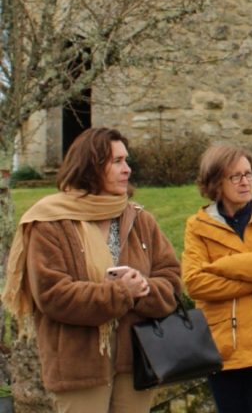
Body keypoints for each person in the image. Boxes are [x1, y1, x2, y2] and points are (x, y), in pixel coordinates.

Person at [1, 127, 181, 413]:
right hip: (78, 367)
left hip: (136, 361)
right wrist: (123, 292)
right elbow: (53, 295)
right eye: (117, 161)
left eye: (127, 160)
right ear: (90, 166)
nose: (127, 169)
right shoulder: (50, 222)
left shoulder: (140, 219)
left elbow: (171, 281)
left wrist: (143, 289)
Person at [182, 144, 252, 413]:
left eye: (249, 174)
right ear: (216, 182)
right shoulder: (198, 226)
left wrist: (222, 265)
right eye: (236, 176)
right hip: (223, 349)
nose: (246, 182)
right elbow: (195, 282)